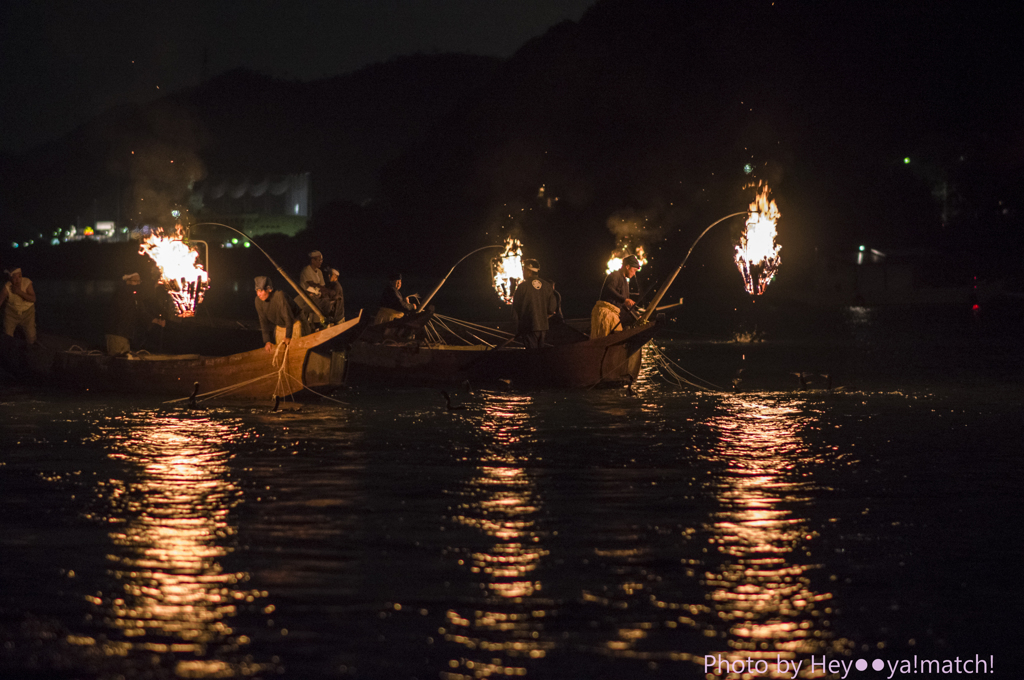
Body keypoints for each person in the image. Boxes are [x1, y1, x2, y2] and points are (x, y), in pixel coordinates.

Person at [106, 272, 165, 355]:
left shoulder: (133, 295)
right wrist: (154, 287)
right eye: (135, 281)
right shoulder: (122, 292)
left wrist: (156, 320)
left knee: (125, 360)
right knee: (118, 361)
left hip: (125, 334)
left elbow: (141, 311)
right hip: (117, 334)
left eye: (139, 281)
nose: (138, 284)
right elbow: (139, 301)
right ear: (127, 281)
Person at [511, 258, 559, 349]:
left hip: (528, 328)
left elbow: (515, 311)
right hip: (543, 327)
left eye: (524, 270)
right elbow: (552, 309)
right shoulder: (547, 286)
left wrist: (516, 330)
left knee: (532, 356)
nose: (523, 273)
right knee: (541, 354)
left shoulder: (522, 287)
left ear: (529, 271)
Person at [591, 255, 641, 339]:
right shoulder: (615, 275)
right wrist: (624, 299)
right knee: (604, 338)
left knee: (616, 338)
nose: (634, 273)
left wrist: (636, 315)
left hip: (614, 315)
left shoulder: (625, 282)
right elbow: (609, 288)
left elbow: (624, 304)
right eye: (634, 270)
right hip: (606, 314)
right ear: (627, 266)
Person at [254, 276, 301, 353]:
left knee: (295, 352)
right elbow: (263, 322)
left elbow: (288, 317)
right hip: (280, 327)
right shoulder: (258, 301)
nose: (258, 294)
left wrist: (288, 336)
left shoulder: (279, 296)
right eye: (257, 291)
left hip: (294, 324)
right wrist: (267, 341)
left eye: (261, 291)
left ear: (269, 289)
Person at [1, 267, 38, 345]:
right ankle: (9, 351)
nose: (17, 280)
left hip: (28, 313)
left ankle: (30, 351)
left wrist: (19, 292)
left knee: (31, 337)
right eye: (14, 277)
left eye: (19, 276)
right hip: (11, 314)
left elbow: (33, 299)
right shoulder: (7, 287)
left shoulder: (27, 283)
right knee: (7, 335)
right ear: (10, 278)